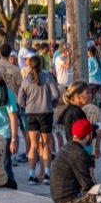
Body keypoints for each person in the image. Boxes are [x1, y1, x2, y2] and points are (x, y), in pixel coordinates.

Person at [50, 119, 101, 203]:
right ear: (89, 136)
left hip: (59, 196)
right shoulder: (80, 153)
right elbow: (86, 186)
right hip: (68, 200)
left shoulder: (66, 147)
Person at [17, 54, 59, 185]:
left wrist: (27, 106)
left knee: (33, 145)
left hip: (31, 114)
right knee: (46, 145)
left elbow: (20, 100)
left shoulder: (26, 80)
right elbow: (56, 94)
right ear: (41, 65)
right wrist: (51, 102)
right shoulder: (48, 77)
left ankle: (31, 175)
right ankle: (47, 174)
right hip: (46, 113)